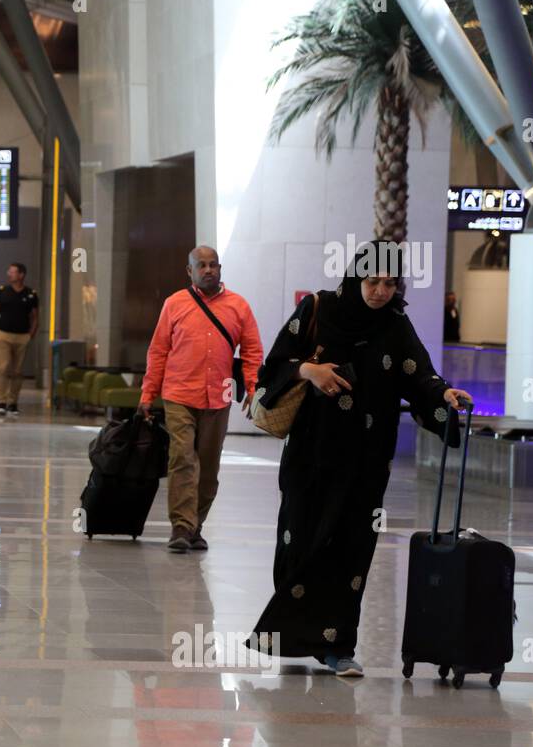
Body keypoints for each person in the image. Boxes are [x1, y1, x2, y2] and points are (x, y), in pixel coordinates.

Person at [245, 242, 473, 678]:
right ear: (355, 278)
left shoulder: (394, 323)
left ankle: (336, 646)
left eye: (390, 283)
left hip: (367, 460)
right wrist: (308, 371)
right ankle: (295, 634)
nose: (381, 292)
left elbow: (417, 372)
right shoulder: (319, 308)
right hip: (311, 455)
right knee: (302, 542)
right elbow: (272, 365)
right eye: (373, 282)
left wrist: (442, 394)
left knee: (351, 550)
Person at [138, 246, 264, 553]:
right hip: (179, 393)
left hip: (218, 396)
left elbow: (251, 351)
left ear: (220, 269)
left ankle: (196, 524)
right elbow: (158, 352)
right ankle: (181, 526)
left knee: (208, 468)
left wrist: (253, 388)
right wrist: (147, 393)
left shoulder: (239, 306)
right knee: (182, 458)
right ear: (190, 271)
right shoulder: (174, 304)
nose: (208, 270)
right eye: (202, 266)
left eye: (213, 265)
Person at [0, 262, 39, 417]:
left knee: (17, 371)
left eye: (12, 272)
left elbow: (35, 317)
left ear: (21, 275)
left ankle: (13, 402)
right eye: (9, 271)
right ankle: (1, 401)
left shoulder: (31, 294)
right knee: (4, 367)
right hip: (4, 334)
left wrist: (31, 334)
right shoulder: (2, 292)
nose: (9, 274)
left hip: (22, 336)